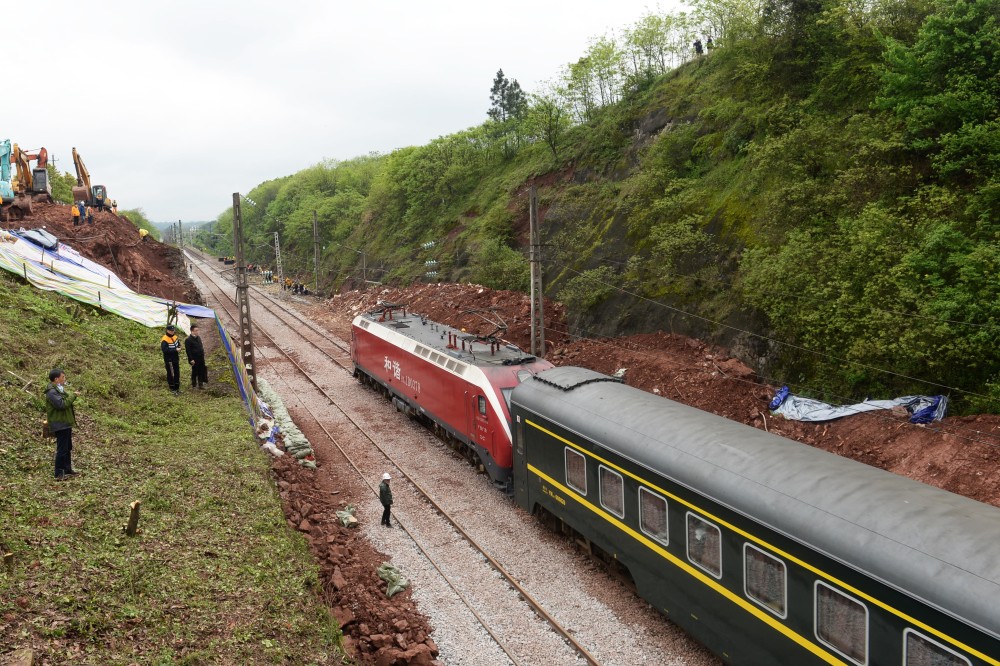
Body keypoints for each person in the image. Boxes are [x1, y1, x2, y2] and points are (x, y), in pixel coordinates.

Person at [44, 368, 78, 480]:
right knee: (62, 449)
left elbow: (66, 399)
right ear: (56, 379)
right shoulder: (51, 392)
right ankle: (59, 473)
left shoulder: (59, 389)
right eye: (63, 377)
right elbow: (62, 405)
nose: (64, 379)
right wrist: (73, 396)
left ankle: (67, 469)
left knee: (68, 447)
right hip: (60, 424)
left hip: (65, 423)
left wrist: (72, 395)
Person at [184, 323, 208, 390]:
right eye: (196, 330)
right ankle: (194, 385)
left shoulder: (198, 338)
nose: (197, 332)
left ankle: (201, 384)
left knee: (201, 370)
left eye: (198, 330)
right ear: (192, 331)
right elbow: (188, 351)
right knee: (195, 371)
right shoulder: (188, 340)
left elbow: (201, 346)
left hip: (201, 357)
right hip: (194, 358)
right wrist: (191, 359)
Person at [161, 324, 182, 394]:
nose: (173, 332)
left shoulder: (175, 336)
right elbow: (165, 350)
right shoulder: (164, 339)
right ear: (167, 331)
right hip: (169, 360)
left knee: (177, 372)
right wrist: (175, 350)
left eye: (173, 330)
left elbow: (178, 343)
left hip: (175, 358)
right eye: (171, 331)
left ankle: (177, 387)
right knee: (171, 374)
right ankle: (172, 388)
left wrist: (179, 346)